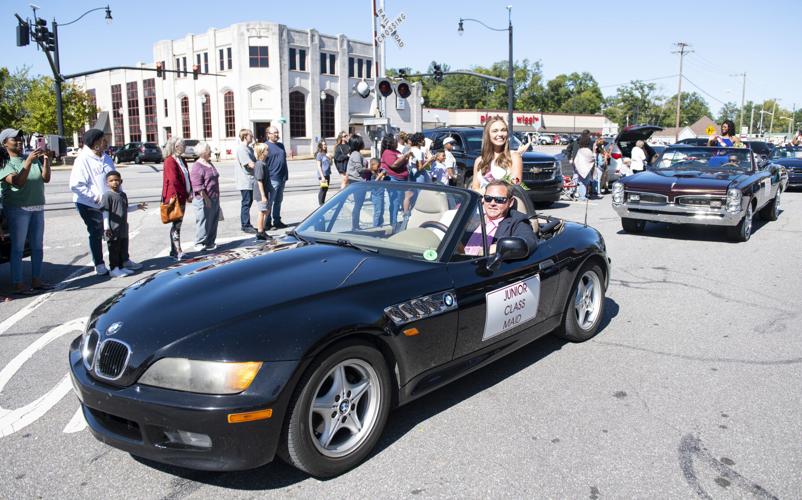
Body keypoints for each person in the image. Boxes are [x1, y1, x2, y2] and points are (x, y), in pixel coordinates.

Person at [71, 128, 141, 275]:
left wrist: (120, 196)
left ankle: (123, 260)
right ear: (95, 143)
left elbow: (114, 178)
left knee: (120, 230)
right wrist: (96, 198)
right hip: (89, 203)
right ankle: (100, 263)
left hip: (111, 201)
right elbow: (76, 185)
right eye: (103, 140)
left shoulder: (107, 158)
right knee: (97, 231)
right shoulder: (82, 160)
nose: (106, 142)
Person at [0, 128, 53, 295]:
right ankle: (18, 283)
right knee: (18, 248)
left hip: (37, 207)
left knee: (37, 246)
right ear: (4, 143)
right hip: (18, 209)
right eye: (14, 139)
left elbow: (45, 178)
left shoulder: (30, 157)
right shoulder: (4, 163)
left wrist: (46, 160)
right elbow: (17, 182)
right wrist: (29, 162)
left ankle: (37, 280)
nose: (19, 141)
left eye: (20, 138)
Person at [463, 180, 537, 256]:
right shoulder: (471, 218)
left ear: (510, 202)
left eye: (499, 200)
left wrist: (496, 247)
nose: (492, 203)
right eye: (488, 198)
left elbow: (529, 242)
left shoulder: (517, 221)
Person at [101, 171, 147, 278]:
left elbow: (125, 209)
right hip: (112, 229)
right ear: (107, 183)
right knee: (114, 249)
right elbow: (105, 212)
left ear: (121, 181)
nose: (114, 183)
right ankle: (114, 269)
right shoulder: (107, 196)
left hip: (122, 228)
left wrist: (137, 206)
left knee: (122, 248)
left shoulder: (122, 195)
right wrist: (106, 227)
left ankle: (121, 267)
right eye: (111, 181)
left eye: (117, 180)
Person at [470, 116, 524, 192]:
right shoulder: (479, 161)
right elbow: (475, 188)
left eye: (503, 130)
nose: (500, 134)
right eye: (495, 131)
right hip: (482, 203)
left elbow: (515, 185)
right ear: (488, 135)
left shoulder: (514, 157)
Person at [161, 137, 191, 260]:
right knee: (176, 224)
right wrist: (184, 193)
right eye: (182, 145)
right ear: (175, 146)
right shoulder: (170, 161)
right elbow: (174, 180)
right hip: (175, 197)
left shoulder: (182, 160)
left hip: (183, 196)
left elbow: (187, 177)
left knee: (178, 224)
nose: (184, 147)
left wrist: (190, 192)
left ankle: (176, 249)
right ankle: (176, 251)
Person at [189, 142, 221, 251]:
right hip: (203, 199)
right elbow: (198, 186)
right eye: (209, 150)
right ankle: (200, 242)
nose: (211, 152)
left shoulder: (209, 163)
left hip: (214, 196)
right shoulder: (197, 166)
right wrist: (206, 200)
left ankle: (210, 242)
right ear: (203, 152)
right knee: (203, 221)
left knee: (213, 220)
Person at [379, 135, 413, 227]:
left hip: (403, 179)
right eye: (395, 141)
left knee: (408, 197)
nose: (396, 142)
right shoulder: (387, 152)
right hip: (394, 180)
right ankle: (393, 223)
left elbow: (402, 162)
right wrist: (405, 155)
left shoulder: (397, 151)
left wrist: (407, 157)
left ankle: (406, 220)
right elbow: (394, 165)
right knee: (395, 202)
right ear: (390, 143)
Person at [265, 126, 289, 229]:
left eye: (277, 132)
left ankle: (277, 221)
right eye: (274, 133)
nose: (276, 134)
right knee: (269, 202)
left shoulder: (281, 145)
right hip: (272, 178)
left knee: (278, 201)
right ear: (268, 134)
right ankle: (267, 223)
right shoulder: (265, 146)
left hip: (282, 177)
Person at [234, 129, 257, 234]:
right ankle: (245, 225)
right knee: (246, 203)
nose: (252, 137)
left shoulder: (249, 148)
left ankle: (247, 223)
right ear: (245, 136)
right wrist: (261, 167)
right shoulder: (242, 149)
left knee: (249, 202)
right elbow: (250, 164)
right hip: (245, 181)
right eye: (250, 135)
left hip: (250, 180)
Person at [252, 143, 273, 241]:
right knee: (262, 212)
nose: (268, 151)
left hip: (265, 191)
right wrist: (263, 195)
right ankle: (260, 232)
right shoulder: (260, 164)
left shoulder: (263, 163)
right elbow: (259, 180)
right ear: (262, 152)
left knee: (266, 211)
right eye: (266, 150)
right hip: (261, 193)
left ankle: (262, 230)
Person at [572, 135, 595, 201]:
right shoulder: (588, 150)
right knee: (584, 182)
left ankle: (580, 195)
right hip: (586, 168)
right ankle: (582, 196)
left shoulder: (580, 150)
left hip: (579, 168)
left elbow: (576, 159)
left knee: (581, 182)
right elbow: (592, 158)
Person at [315, 140, 332, 206]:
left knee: (326, 189)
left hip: (327, 174)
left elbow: (330, 164)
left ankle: (323, 202)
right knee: (323, 189)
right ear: (320, 146)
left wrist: (330, 158)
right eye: (323, 144)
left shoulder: (326, 153)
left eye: (325, 144)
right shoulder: (319, 154)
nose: (324, 146)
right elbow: (319, 166)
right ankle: (321, 203)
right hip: (322, 175)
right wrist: (322, 177)